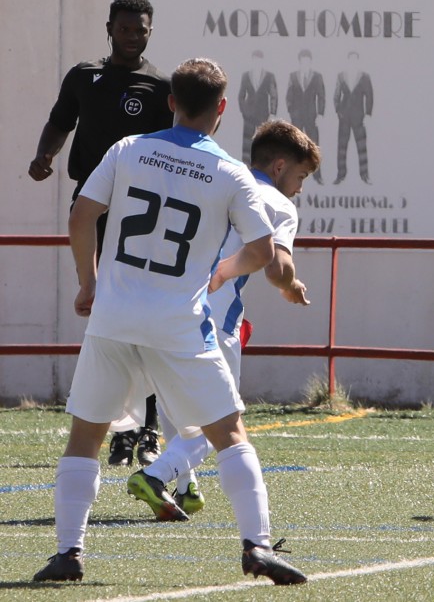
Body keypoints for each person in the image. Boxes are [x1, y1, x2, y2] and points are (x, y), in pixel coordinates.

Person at [32, 58, 307, 584]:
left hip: (113, 316)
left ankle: (69, 553)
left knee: (86, 435)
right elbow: (262, 250)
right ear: (222, 109)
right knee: (228, 433)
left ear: (171, 102)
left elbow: (81, 216)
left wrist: (89, 283)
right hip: (180, 321)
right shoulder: (229, 172)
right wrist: (222, 273)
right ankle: (257, 547)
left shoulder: (128, 149)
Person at [127, 119, 320, 520]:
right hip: (212, 319)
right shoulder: (277, 203)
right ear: (280, 167)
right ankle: (158, 475)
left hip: (157, 304)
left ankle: (186, 486)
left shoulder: (216, 178)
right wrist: (291, 284)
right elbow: (275, 266)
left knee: (174, 401)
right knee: (225, 422)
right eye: (301, 176)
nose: (300, 187)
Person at [27, 0, 168, 469]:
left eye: (141, 29)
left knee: (141, 319)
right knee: (107, 320)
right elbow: (59, 121)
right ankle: (118, 431)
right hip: (92, 210)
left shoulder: (159, 86)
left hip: (140, 217)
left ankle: (149, 427)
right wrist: (45, 154)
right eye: (125, 28)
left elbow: (174, 151)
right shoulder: (84, 77)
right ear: (109, 28)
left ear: (151, 31)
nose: (133, 36)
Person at [333, 51, 374, 184]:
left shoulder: (364, 76)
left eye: (355, 59)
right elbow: (336, 94)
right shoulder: (341, 76)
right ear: (348, 60)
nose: (353, 62)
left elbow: (369, 95)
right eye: (350, 59)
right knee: (342, 146)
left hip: (359, 116)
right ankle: (341, 175)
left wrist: (368, 114)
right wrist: (338, 111)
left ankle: (364, 175)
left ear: (358, 61)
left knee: (361, 146)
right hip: (344, 116)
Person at [284, 49, 325, 184]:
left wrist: (320, 113)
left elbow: (321, 96)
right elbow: (289, 96)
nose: (305, 64)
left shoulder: (317, 76)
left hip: (312, 116)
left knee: (314, 145)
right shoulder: (293, 76)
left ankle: (317, 175)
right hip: (297, 116)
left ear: (310, 62)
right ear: (300, 62)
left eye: (307, 62)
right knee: (295, 147)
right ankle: (294, 176)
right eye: (303, 62)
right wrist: (291, 111)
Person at [238, 49, 277, 163]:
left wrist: (273, 113)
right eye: (255, 60)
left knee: (264, 140)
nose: (257, 62)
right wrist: (244, 110)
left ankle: (263, 165)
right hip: (249, 114)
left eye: (259, 60)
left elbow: (273, 95)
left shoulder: (269, 76)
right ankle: (245, 165)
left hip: (263, 112)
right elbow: (241, 95)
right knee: (247, 140)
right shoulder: (246, 76)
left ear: (262, 61)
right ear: (252, 60)